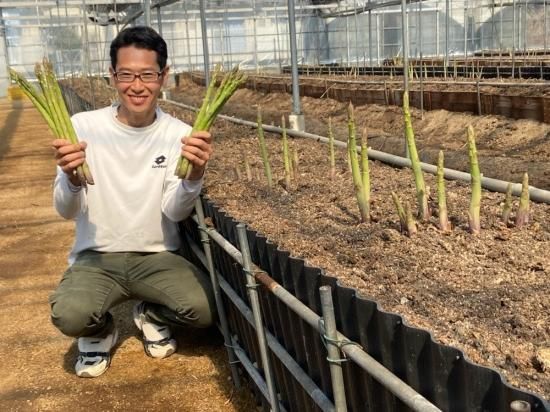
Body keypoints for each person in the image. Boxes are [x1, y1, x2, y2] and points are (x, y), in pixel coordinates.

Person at [49, 26, 215, 378]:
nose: (136, 85)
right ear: (112, 76)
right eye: (125, 74)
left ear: (164, 76)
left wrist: (195, 175)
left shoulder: (179, 134)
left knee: (205, 310)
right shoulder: (82, 126)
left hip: (157, 256)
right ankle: (99, 330)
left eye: (147, 75)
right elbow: (65, 210)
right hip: (96, 256)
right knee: (70, 315)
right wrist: (71, 177)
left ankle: (150, 314)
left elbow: (174, 210)